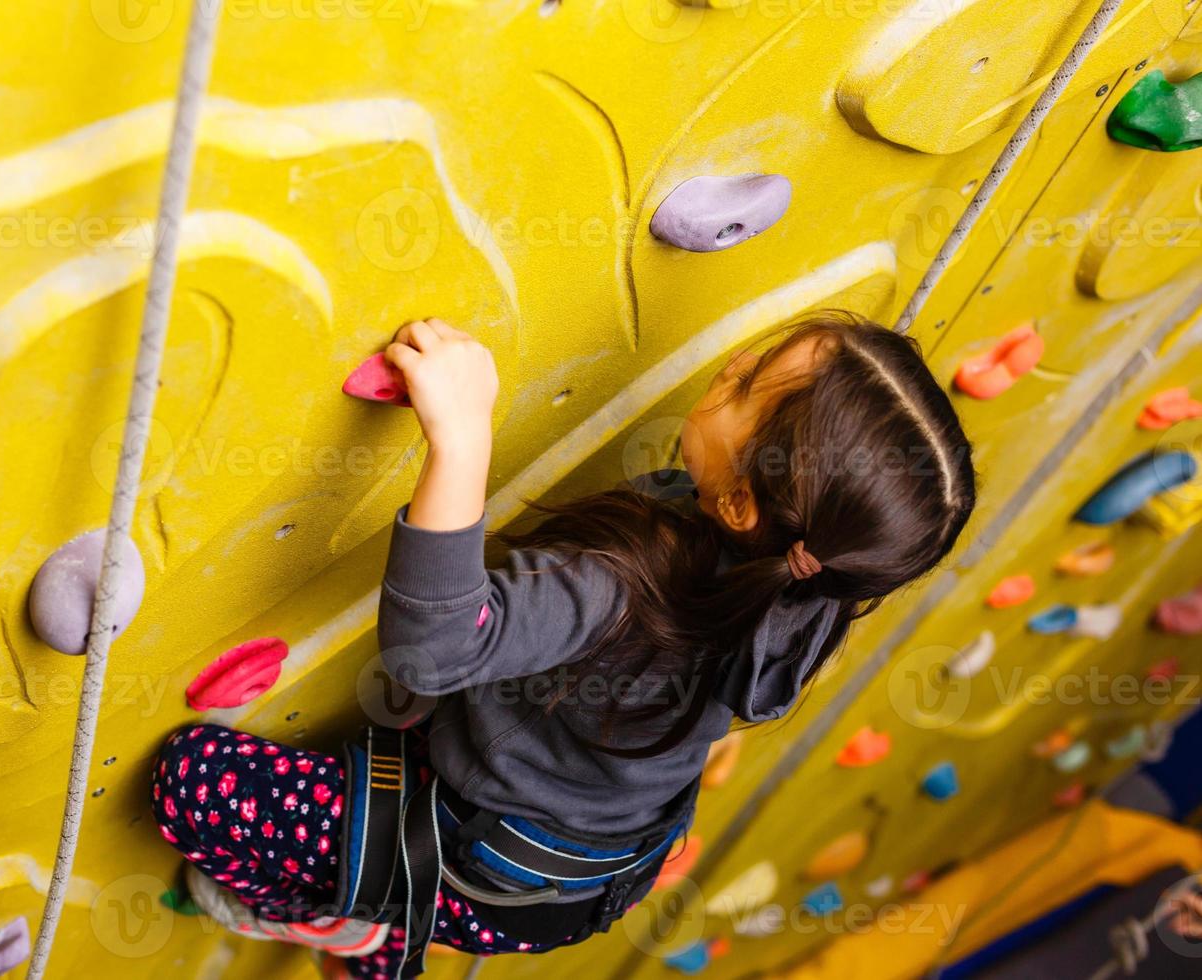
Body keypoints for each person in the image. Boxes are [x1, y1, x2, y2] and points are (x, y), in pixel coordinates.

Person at [151, 310, 977, 979]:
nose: (733, 363)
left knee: (190, 778)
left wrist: (462, 437)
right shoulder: (811, 586)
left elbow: (435, 650)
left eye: (751, 382)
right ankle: (387, 924)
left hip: (492, 869)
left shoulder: (624, 585)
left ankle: (348, 927)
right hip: (588, 870)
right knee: (391, 743)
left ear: (738, 509)